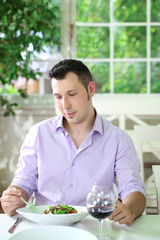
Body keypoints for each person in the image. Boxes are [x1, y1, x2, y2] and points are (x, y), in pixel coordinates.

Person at [0, 59, 146, 225]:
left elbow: (134, 189)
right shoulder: (38, 133)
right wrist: (13, 197)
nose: (65, 105)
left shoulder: (119, 139)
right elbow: (23, 183)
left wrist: (129, 209)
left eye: (72, 94)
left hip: (94, 226)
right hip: (45, 227)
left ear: (90, 89)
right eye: (58, 97)